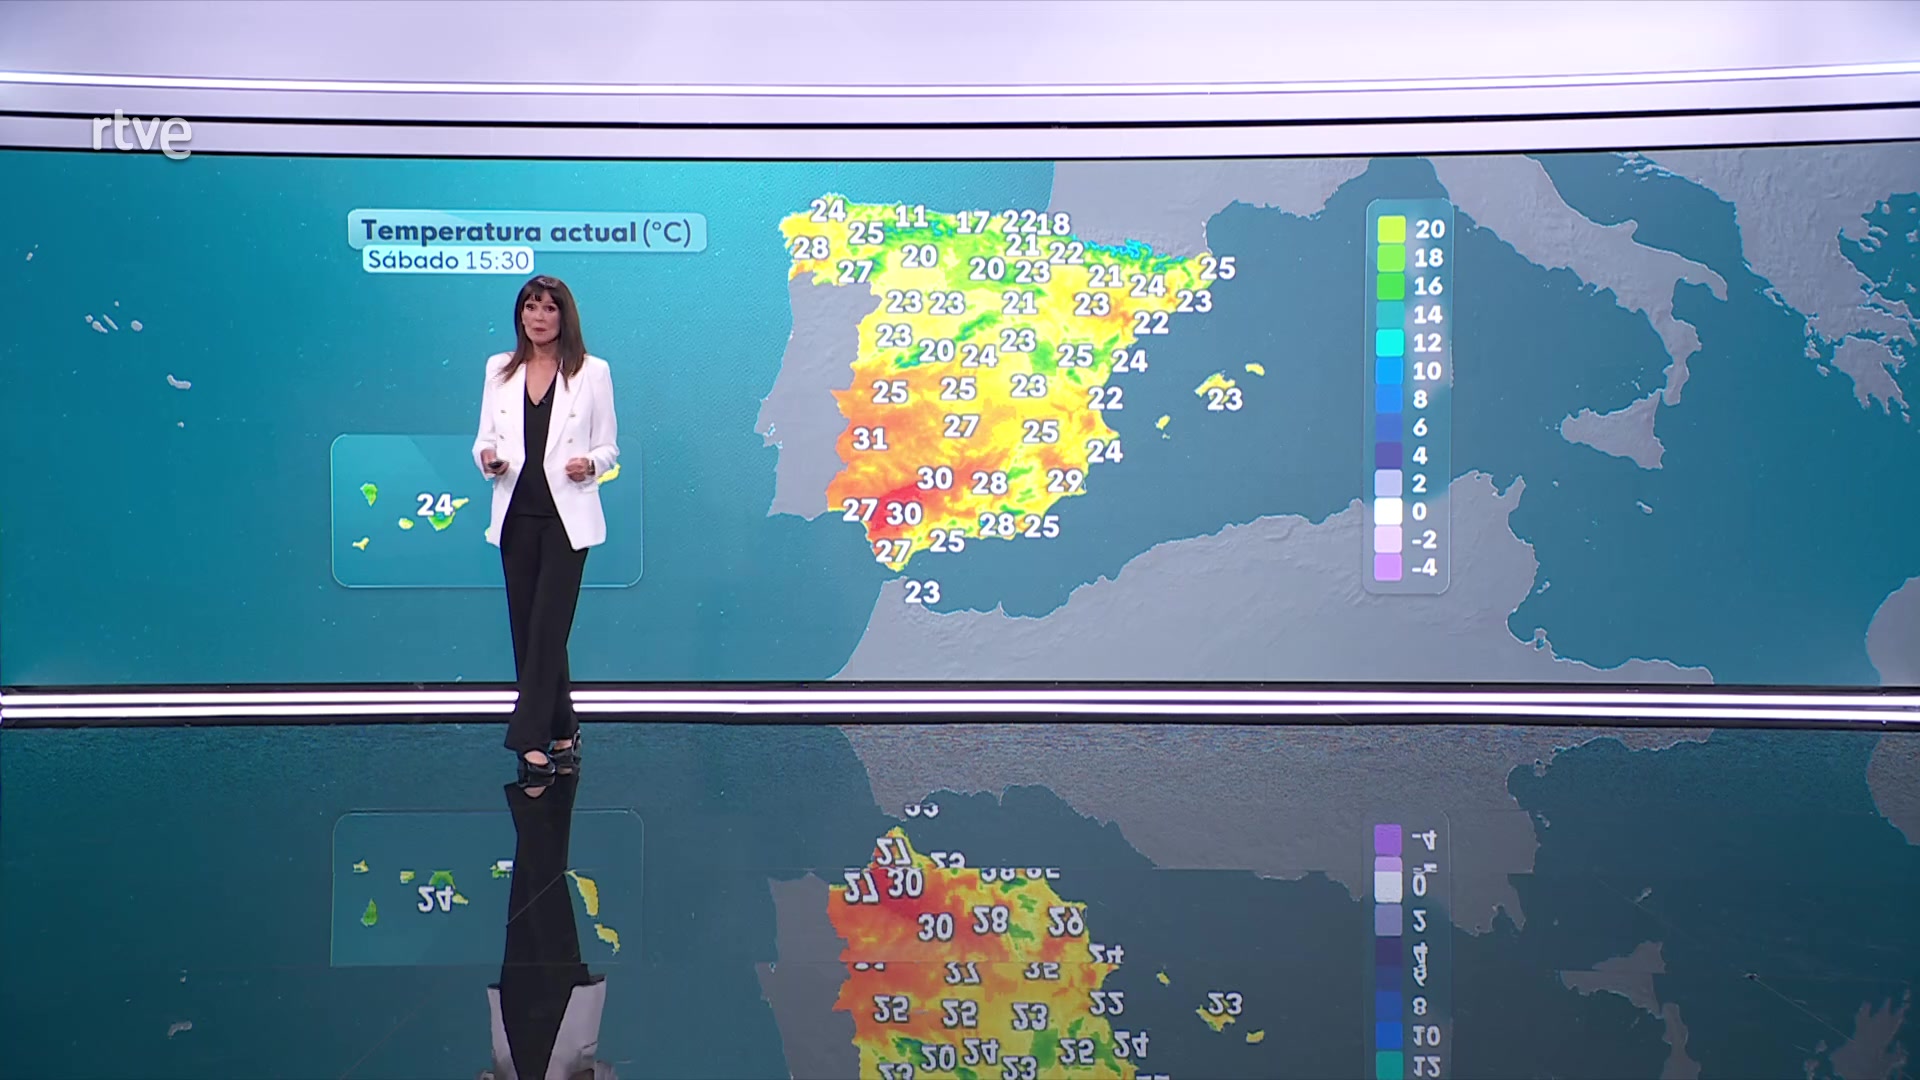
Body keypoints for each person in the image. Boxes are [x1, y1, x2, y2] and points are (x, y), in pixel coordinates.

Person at [473, 276, 619, 784]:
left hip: (566, 520)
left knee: (549, 627)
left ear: (565, 316)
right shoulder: (499, 369)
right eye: (530, 307)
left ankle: (528, 736)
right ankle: (563, 726)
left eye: (549, 309)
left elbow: (609, 447)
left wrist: (591, 464)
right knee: (527, 628)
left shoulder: (592, 372)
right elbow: (484, 439)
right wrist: (487, 459)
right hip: (515, 514)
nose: (538, 317)